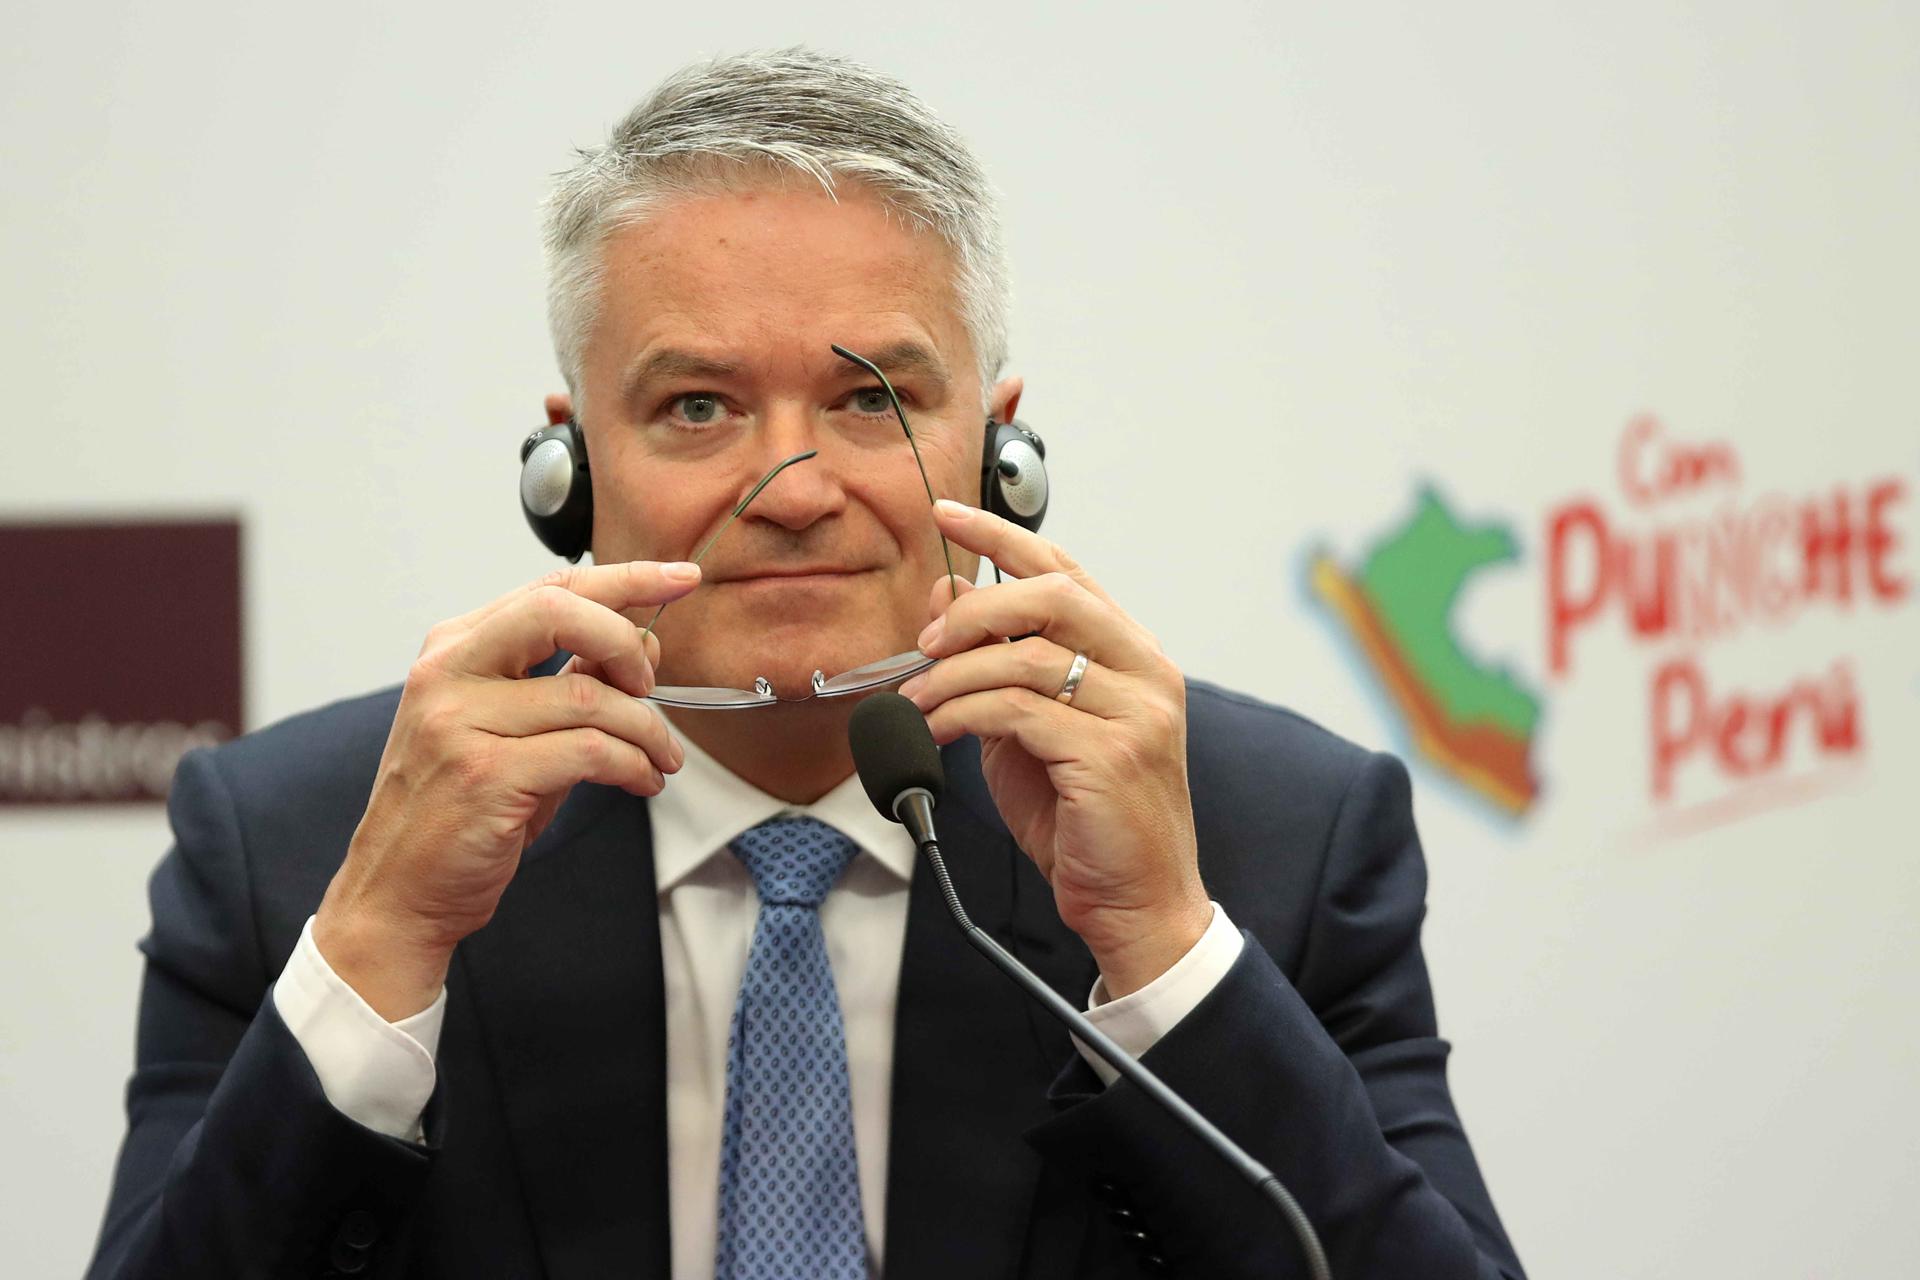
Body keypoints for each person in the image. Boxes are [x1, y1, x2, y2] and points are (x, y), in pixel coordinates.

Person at [87, 48, 1526, 1280]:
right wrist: (378, 955)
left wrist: (1160, 951)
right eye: (699, 405)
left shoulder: (1276, 835)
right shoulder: (294, 851)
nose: (791, 486)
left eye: (872, 399)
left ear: (1004, 450)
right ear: (568, 469)